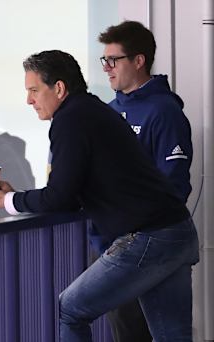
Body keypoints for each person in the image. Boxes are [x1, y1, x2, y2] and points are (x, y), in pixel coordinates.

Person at [0, 50, 199, 341]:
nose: (29, 100)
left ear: (59, 88)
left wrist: (5, 201)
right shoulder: (95, 111)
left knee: (70, 309)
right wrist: (17, 195)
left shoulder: (70, 120)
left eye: (33, 90)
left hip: (148, 236)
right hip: (177, 232)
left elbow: (60, 197)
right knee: (173, 336)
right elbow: (76, 187)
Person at [94, 20, 194, 342]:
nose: (107, 68)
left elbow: (174, 186)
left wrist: (135, 230)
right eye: (104, 61)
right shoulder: (107, 113)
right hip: (114, 246)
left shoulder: (164, 111)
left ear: (139, 61)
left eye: (114, 60)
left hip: (151, 245)